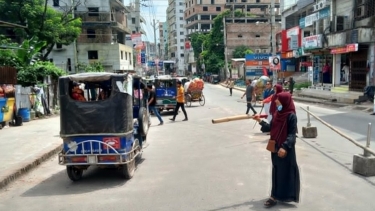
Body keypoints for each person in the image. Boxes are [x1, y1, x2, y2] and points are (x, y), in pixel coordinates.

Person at [264, 92, 300, 208]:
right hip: (275, 147)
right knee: (276, 171)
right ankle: (274, 196)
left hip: (286, 149)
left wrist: (284, 147)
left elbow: (292, 134)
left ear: (284, 101)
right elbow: (270, 127)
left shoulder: (291, 116)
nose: (275, 101)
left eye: (278, 100)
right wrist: (259, 121)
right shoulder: (277, 114)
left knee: (286, 173)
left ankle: (282, 196)